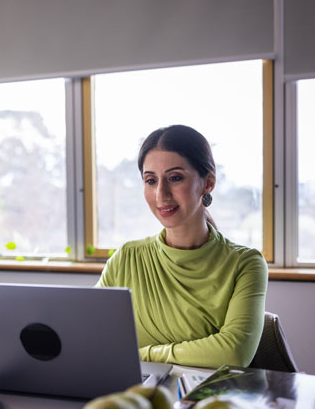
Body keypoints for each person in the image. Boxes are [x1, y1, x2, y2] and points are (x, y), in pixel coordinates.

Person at [96, 124, 267, 369]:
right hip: (135, 398)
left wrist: (145, 354)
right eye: (150, 180)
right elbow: (89, 333)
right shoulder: (126, 258)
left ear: (207, 183)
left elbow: (235, 352)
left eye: (175, 178)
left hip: (207, 401)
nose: (160, 194)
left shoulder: (245, 263)